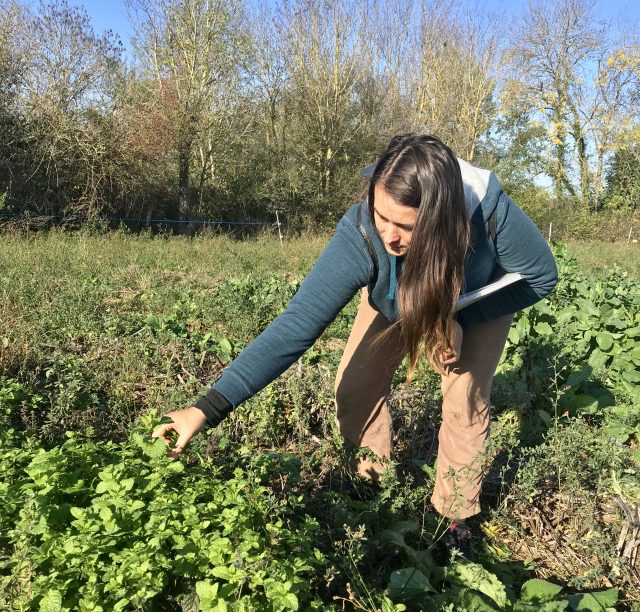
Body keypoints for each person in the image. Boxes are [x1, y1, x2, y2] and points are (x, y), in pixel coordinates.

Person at [152, 133, 558, 542]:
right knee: (355, 385)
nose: (390, 235)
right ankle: (368, 484)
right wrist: (205, 408)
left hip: (473, 300)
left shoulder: (490, 215)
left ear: (441, 220)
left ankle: (453, 521)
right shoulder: (362, 233)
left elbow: (542, 276)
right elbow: (295, 326)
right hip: (397, 299)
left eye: (406, 226)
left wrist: (455, 314)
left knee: (464, 402)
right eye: (382, 215)